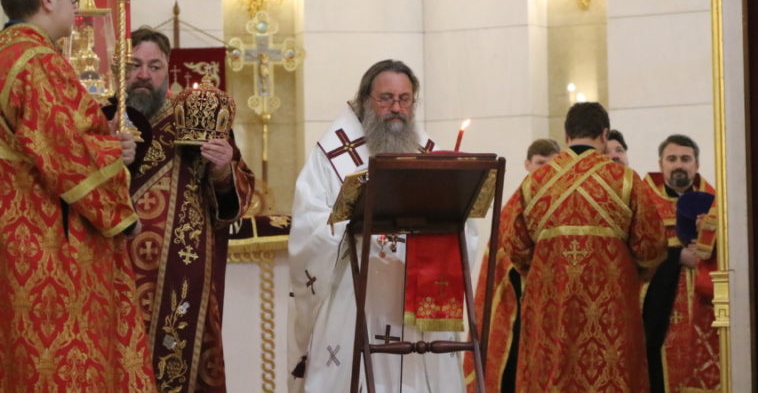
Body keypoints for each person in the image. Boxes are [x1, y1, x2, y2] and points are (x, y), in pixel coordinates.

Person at [0, 0, 155, 391]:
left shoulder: (7, 54)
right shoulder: (37, 61)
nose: (77, 5)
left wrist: (101, 140)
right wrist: (115, 157)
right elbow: (67, 157)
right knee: (64, 368)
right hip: (47, 241)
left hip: (14, 233)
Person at [289, 59, 478, 392]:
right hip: (357, 291)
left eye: (405, 99)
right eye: (386, 98)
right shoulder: (332, 155)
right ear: (365, 101)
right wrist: (347, 225)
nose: (396, 108)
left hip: (416, 291)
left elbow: (465, 228)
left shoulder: (428, 152)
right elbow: (309, 223)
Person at [124, 27, 254, 393]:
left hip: (182, 277)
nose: (144, 75)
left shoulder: (198, 118)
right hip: (117, 272)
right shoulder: (103, 120)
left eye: (154, 66)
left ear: (168, 70)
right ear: (119, 68)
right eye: (134, 65)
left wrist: (223, 169)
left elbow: (233, 202)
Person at [503, 102, 667, 392]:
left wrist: (540, 270)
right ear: (604, 135)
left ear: (566, 136)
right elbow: (651, 247)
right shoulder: (625, 181)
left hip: (550, 308)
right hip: (612, 311)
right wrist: (631, 274)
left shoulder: (534, 183)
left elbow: (513, 243)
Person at [464, 138, 559, 392]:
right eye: (541, 164)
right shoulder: (516, 206)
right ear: (528, 164)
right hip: (517, 305)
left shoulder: (564, 206)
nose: (546, 171)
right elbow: (499, 257)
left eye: (552, 165)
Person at [641, 134, 718, 393]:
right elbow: (640, 251)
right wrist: (677, 257)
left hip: (703, 303)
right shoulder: (644, 202)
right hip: (661, 304)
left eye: (685, 159)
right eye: (671, 159)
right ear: (660, 164)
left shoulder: (715, 202)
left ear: (697, 164)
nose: (678, 165)